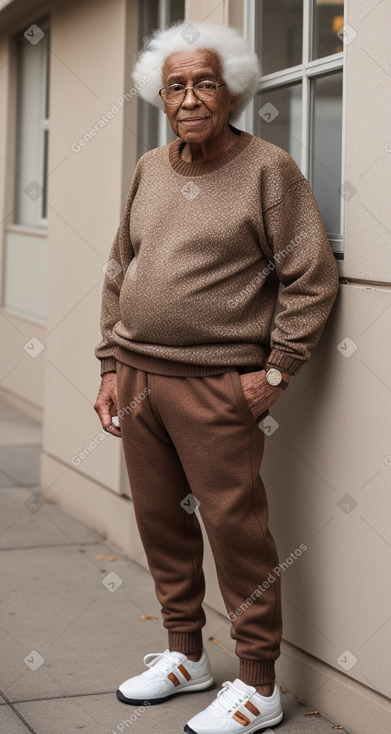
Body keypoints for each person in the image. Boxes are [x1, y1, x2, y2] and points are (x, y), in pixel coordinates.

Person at [94, 20, 339, 734]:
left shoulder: (267, 169)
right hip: (139, 377)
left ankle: (259, 685)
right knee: (160, 524)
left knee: (236, 530)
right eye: (176, 85)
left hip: (215, 386)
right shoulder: (148, 167)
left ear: (232, 89)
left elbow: (310, 275)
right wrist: (110, 364)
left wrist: (275, 370)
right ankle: (184, 657)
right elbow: (119, 269)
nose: (190, 97)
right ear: (158, 96)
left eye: (205, 82)